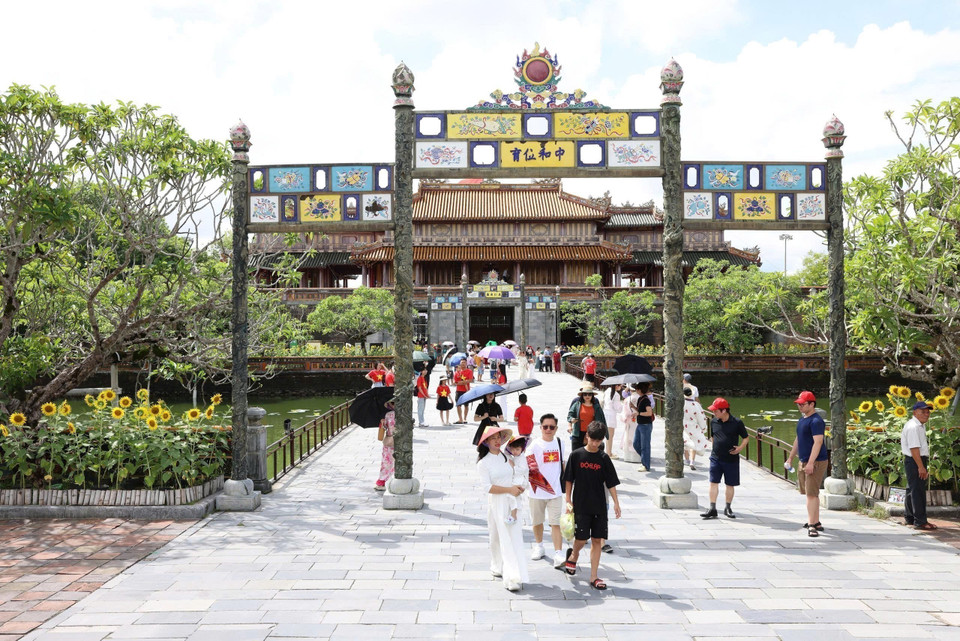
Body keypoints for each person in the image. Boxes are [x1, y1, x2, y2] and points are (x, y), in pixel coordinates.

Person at [562, 421, 622, 590]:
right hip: (581, 504)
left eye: (599, 440)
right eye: (592, 439)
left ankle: (594, 577)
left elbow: (611, 482)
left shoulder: (604, 458)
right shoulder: (576, 455)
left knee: (597, 540)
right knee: (581, 539)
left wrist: (616, 503)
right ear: (586, 435)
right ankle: (573, 556)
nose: (595, 443)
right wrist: (568, 500)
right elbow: (568, 479)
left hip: (599, 506)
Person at [476, 422, 529, 592]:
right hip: (497, 501)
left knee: (512, 537)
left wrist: (519, 489)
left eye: (499, 437)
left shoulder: (508, 458)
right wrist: (509, 490)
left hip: (512, 502)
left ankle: (512, 572)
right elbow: (487, 488)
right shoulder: (483, 463)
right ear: (486, 442)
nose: (497, 441)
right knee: (498, 536)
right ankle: (504, 571)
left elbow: (518, 476)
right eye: (493, 438)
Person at [785, 390, 829, 536]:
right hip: (804, 460)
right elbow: (798, 440)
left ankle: (811, 524)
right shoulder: (802, 419)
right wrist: (791, 458)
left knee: (811, 494)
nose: (800, 407)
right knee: (811, 493)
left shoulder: (816, 421)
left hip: (815, 461)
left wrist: (810, 463)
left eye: (803, 404)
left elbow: (818, 442)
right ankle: (816, 521)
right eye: (799, 404)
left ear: (812, 404)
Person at [527, 413, 567, 568]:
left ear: (556, 428)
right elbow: (529, 468)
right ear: (540, 427)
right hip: (537, 491)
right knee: (537, 521)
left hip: (555, 492)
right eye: (545, 427)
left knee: (555, 523)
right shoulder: (534, 445)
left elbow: (563, 466)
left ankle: (558, 553)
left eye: (551, 427)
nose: (548, 429)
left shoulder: (560, 443)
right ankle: (539, 546)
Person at [701, 397, 749, 519]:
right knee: (713, 482)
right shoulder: (713, 421)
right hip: (715, 458)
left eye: (716, 411)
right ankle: (712, 508)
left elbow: (746, 438)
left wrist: (740, 448)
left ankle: (728, 507)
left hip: (731, 459)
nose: (713, 413)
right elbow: (713, 436)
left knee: (730, 484)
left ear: (724, 411)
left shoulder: (737, 423)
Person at [901, 400, 937, 531]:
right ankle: (920, 521)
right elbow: (914, 448)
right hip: (915, 460)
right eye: (923, 412)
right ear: (915, 412)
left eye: (928, 412)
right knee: (918, 491)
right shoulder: (914, 427)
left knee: (912, 489)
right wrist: (921, 467)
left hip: (913, 460)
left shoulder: (918, 425)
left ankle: (910, 518)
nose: (926, 414)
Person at [567, 383, 606, 451]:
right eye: (585, 394)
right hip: (577, 433)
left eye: (589, 394)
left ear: (592, 395)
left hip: (591, 434)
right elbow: (569, 416)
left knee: (591, 455)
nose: (587, 396)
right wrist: (571, 421)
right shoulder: (576, 404)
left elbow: (600, 421)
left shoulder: (596, 406)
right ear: (582, 395)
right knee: (576, 455)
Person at [504, 435, 530, 525]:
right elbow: (506, 453)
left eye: (517, 449)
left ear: (522, 449)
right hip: (518, 479)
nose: (514, 452)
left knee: (512, 495)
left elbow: (524, 470)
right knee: (514, 497)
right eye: (513, 449)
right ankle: (513, 515)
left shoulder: (522, 458)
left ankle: (513, 515)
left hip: (521, 480)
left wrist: (513, 466)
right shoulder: (517, 457)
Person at [683, 387, 710, 470]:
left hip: (683, 425)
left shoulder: (681, 404)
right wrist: (703, 428)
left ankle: (687, 459)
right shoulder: (696, 405)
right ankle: (692, 461)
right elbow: (701, 417)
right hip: (693, 426)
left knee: (686, 441)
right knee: (694, 442)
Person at [632, 381, 655, 471]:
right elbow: (639, 410)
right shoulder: (640, 399)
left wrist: (639, 413)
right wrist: (633, 408)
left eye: (637, 389)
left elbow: (649, 413)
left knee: (645, 445)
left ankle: (645, 464)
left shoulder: (645, 400)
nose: (636, 390)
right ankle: (645, 458)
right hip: (640, 424)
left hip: (646, 425)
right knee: (636, 444)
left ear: (640, 390)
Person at [375, 400, 396, 491]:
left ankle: (383, 480)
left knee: (386, 461)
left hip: (389, 439)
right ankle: (393, 479)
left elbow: (385, 428)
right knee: (396, 461)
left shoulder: (387, 415)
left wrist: (382, 422)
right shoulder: (403, 414)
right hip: (399, 440)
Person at [619, 385, 641, 464]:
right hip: (638, 420)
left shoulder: (627, 399)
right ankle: (637, 456)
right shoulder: (641, 398)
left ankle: (628, 457)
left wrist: (625, 417)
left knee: (628, 436)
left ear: (630, 390)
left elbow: (624, 412)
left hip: (629, 420)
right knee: (637, 436)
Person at [601, 383, 623, 459]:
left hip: (605, 414)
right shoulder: (616, 395)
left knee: (606, 435)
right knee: (610, 436)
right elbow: (618, 408)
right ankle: (609, 453)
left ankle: (608, 451)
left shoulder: (607, 390)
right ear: (617, 386)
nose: (621, 387)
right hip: (611, 416)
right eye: (620, 385)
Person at [454, 360, 474, 424]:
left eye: (464, 362)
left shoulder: (469, 371)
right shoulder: (457, 372)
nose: (463, 364)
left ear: (466, 363)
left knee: (466, 405)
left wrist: (462, 382)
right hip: (458, 390)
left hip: (466, 390)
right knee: (458, 404)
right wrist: (461, 382)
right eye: (462, 363)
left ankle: (465, 418)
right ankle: (460, 418)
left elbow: (470, 380)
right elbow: (455, 382)